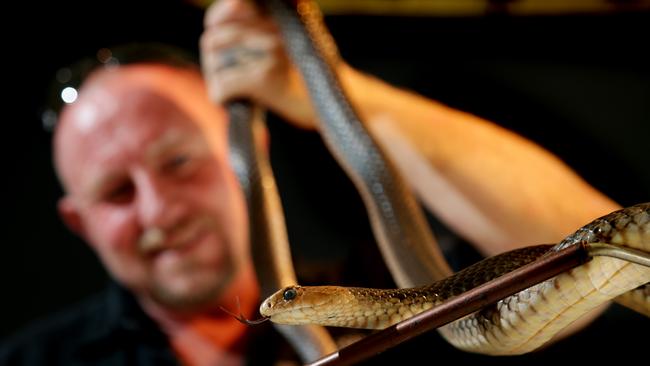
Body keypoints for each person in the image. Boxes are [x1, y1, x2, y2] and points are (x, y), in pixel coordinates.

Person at [1, 0, 638, 365]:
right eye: (116, 191)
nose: (160, 209)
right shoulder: (31, 361)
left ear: (245, 151)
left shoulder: (392, 284)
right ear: (78, 223)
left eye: (180, 163)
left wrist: (334, 94)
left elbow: (608, 244)